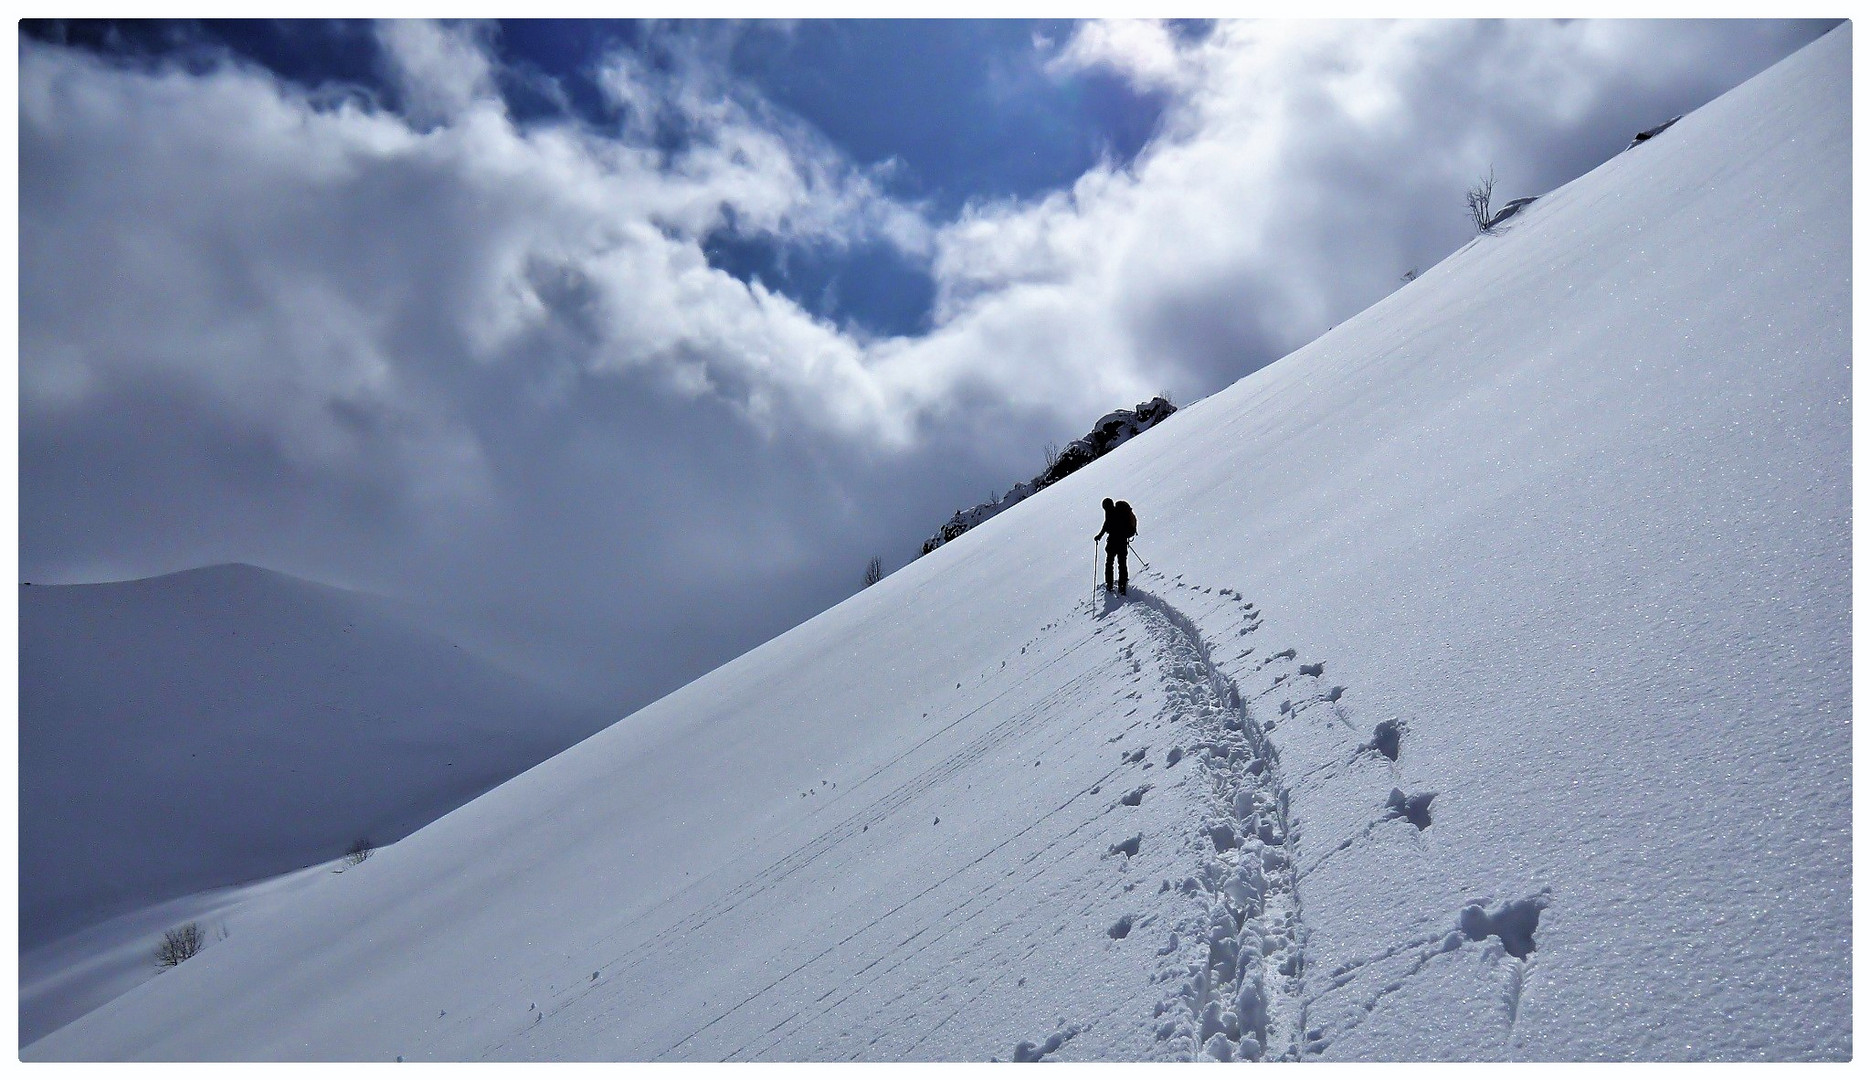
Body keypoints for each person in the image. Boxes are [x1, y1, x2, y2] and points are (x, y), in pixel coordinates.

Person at [1094, 497, 1137, 594]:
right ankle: (1122, 585)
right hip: (1122, 542)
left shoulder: (1109, 513)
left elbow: (1106, 525)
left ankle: (1109, 584)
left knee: (1109, 563)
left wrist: (1099, 536)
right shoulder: (1119, 512)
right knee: (1122, 564)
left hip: (1112, 542)